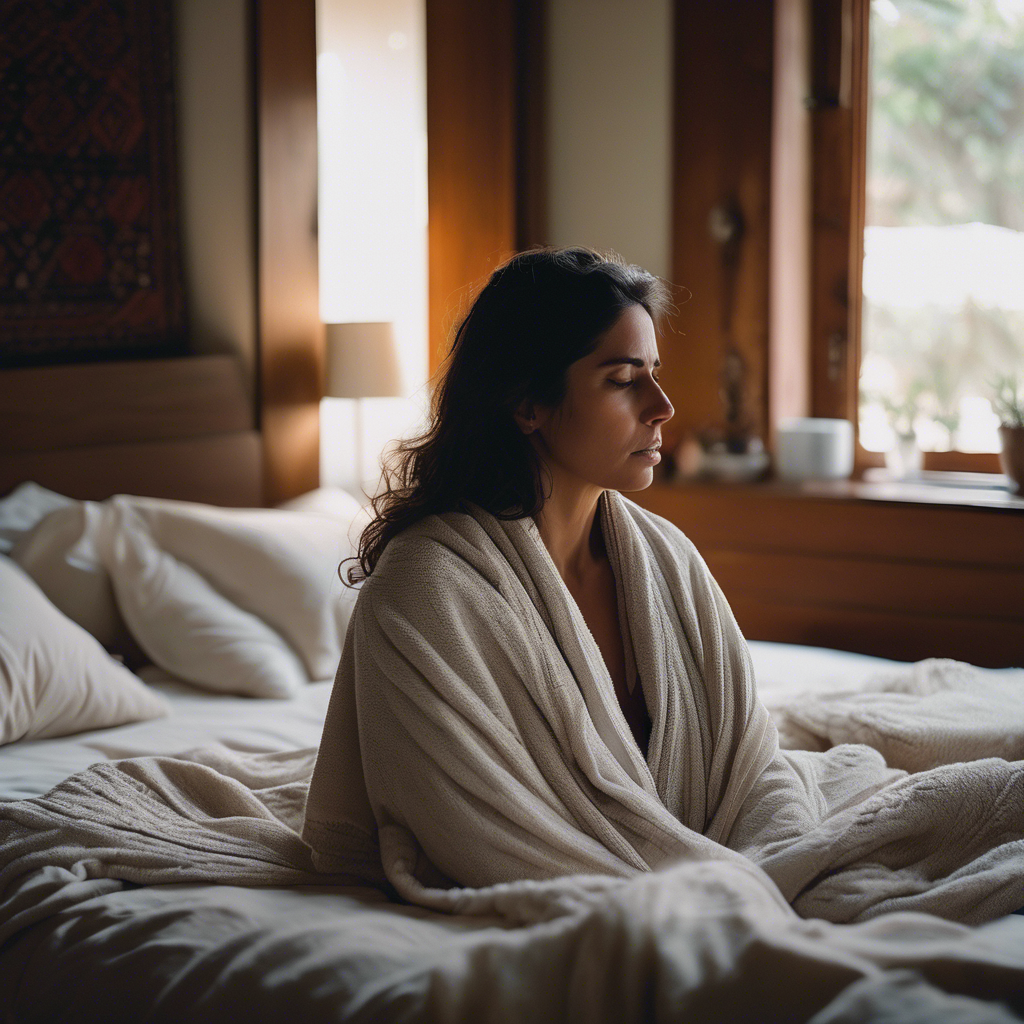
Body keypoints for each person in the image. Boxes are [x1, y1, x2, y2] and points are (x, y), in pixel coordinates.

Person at [301, 246, 1023, 923]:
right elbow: (479, 828)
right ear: (527, 403)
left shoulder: (662, 557)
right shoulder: (427, 588)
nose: (662, 404)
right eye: (622, 380)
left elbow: (750, 765)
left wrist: (767, 861)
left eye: (654, 370)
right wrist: (718, 892)